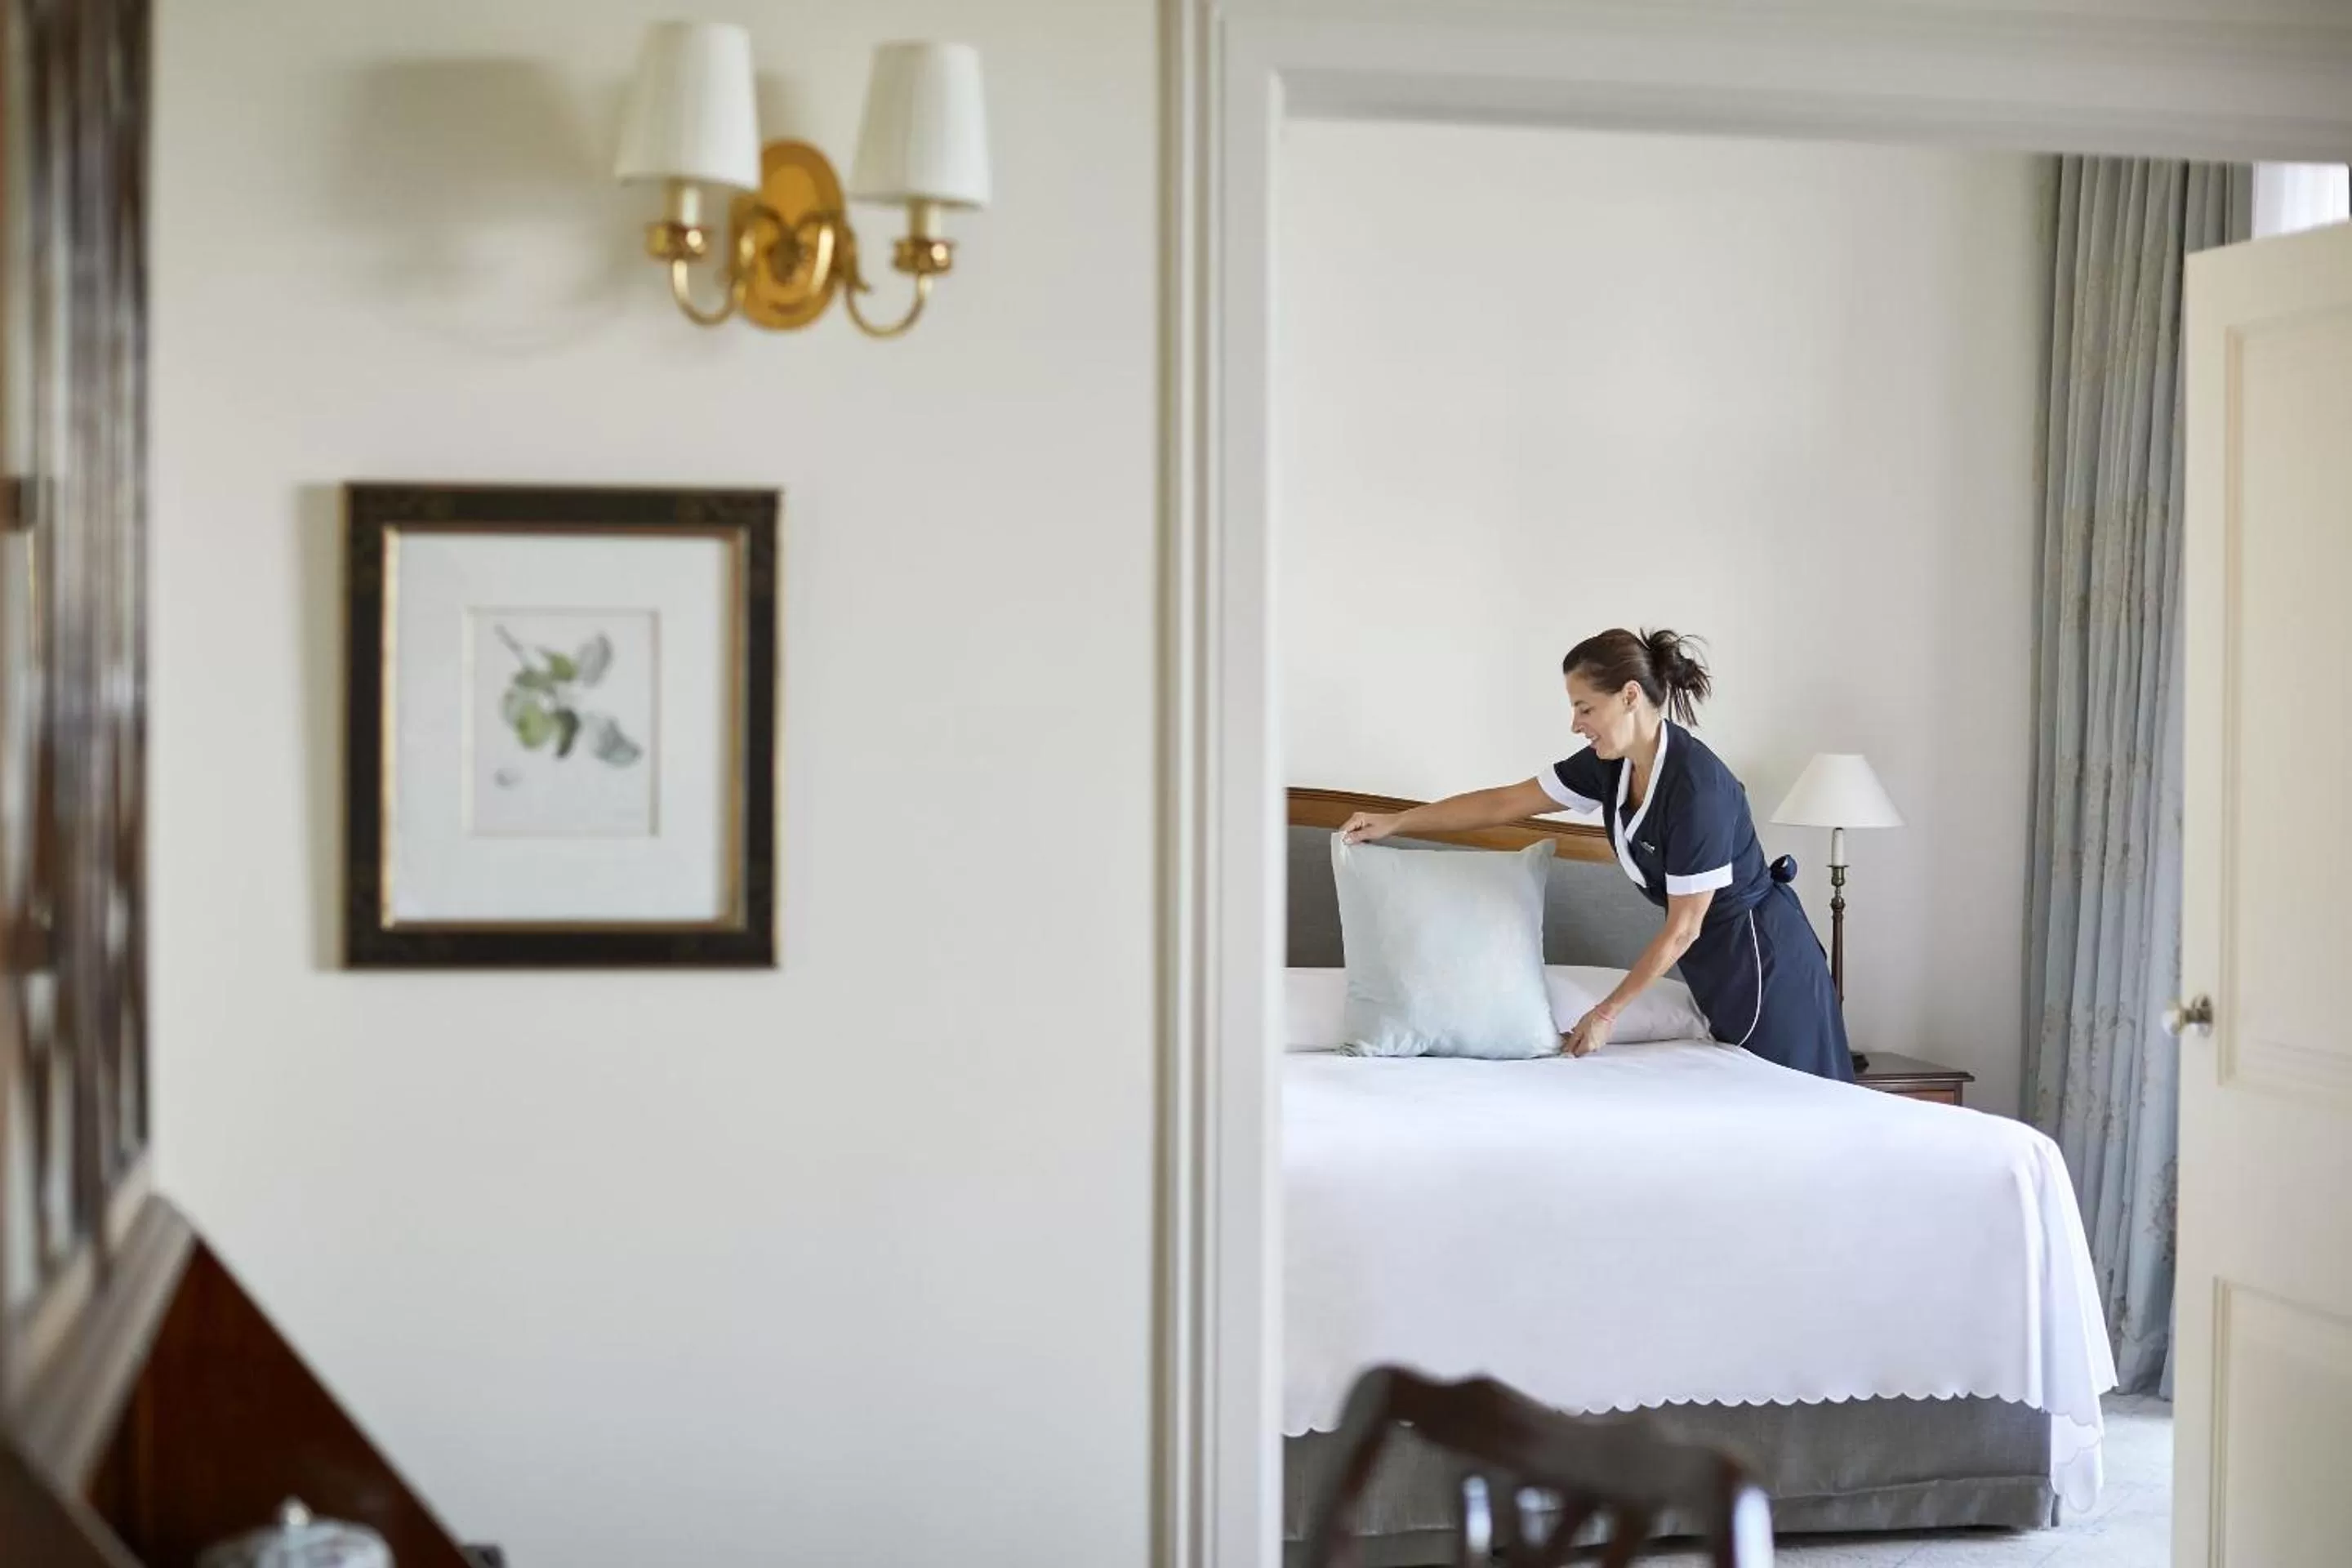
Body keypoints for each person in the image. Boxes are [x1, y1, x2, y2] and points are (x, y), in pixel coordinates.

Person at [1339, 628, 1855, 1082]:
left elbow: (1682, 928)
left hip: (1768, 966)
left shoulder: (1700, 791)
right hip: (1716, 969)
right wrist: (1398, 822)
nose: (1575, 723)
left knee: (1802, 1117)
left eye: (1585, 707)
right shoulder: (1610, 766)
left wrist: (1607, 1013)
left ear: (1629, 696)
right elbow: (1505, 802)